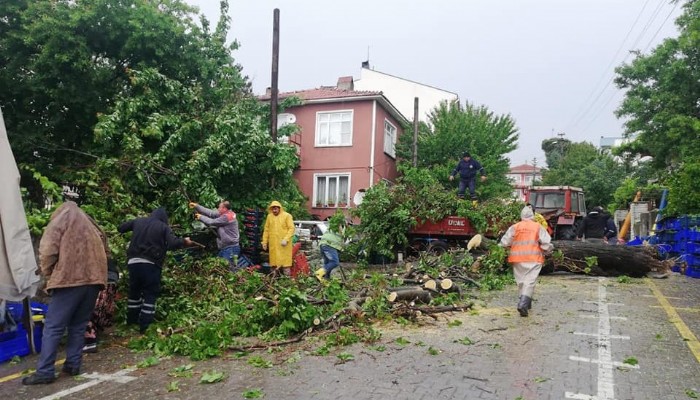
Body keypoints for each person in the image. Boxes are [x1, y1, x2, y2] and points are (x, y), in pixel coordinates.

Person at [23, 201, 108, 385]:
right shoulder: (90, 223)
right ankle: (73, 365)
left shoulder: (61, 219)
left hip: (70, 280)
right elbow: (105, 244)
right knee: (78, 325)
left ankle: (45, 371)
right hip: (94, 280)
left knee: (53, 327)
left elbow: (47, 249)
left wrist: (49, 274)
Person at [119, 208, 191, 333]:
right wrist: (184, 241)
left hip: (133, 262)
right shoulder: (163, 227)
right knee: (150, 293)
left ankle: (131, 321)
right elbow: (173, 244)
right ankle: (145, 326)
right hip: (150, 264)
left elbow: (121, 228)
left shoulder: (138, 221)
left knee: (134, 292)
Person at [499, 206, 553, 317]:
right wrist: (549, 250)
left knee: (521, 282)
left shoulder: (515, 227)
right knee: (530, 281)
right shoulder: (538, 227)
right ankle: (523, 304)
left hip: (517, 258)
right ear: (533, 215)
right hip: (534, 258)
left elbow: (504, 242)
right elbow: (546, 244)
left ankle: (526, 303)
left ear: (522, 215)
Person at [189, 200, 241, 271]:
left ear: (224, 209)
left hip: (231, 248)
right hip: (226, 247)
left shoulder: (227, 217)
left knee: (228, 270)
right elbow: (211, 213)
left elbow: (211, 222)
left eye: (219, 207)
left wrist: (201, 217)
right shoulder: (225, 213)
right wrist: (196, 206)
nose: (218, 209)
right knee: (220, 268)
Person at [82, 259, 119, 353]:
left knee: (90, 308)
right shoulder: (100, 249)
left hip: (99, 276)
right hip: (111, 276)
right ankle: (95, 333)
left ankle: (90, 340)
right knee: (104, 306)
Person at [261, 201, 295, 275]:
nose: (274, 210)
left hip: (284, 245)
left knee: (285, 265)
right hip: (273, 245)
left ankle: (286, 281)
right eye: (273, 209)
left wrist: (286, 239)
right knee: (274, 264)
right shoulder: (269, 217)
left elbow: (291, 228)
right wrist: (264, 242)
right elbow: (266, 230)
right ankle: (274, 281)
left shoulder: (287, 216)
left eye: (276, 209)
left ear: (280, 208)